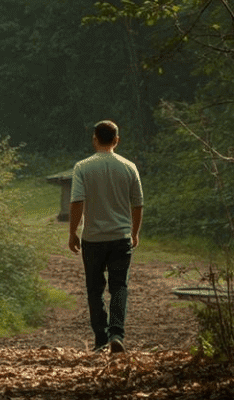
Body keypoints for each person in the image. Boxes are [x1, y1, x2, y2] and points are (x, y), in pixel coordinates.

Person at [67, 120, 144, 353]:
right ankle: (117, 334)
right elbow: (138, 204)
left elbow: (77, 201)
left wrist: (72, 232)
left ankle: (101, 339)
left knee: (95, 289)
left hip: (93, 238)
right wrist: (134, 233)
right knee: (119, 286)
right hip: (121, 237)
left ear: (94, 139)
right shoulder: (129, 167)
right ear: (116, 140)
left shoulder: (82, 167)